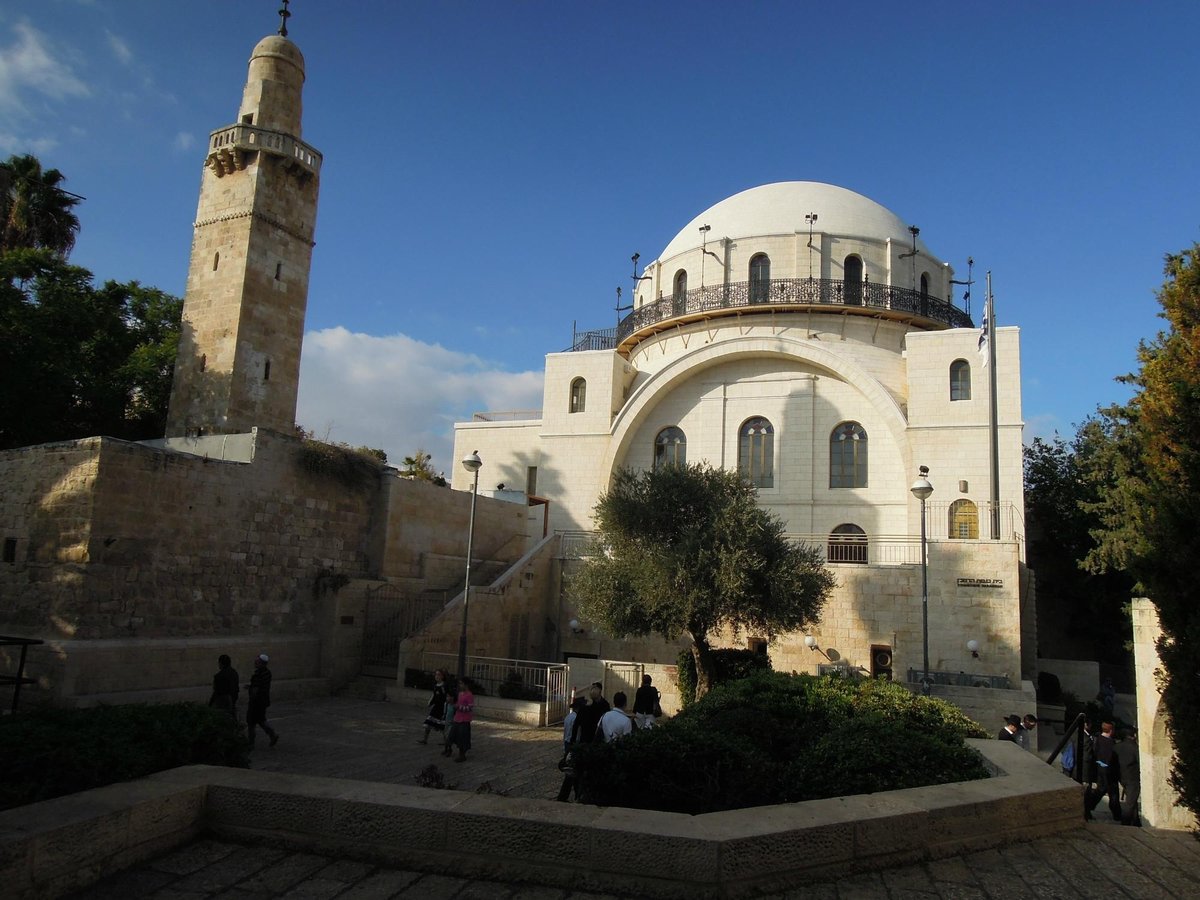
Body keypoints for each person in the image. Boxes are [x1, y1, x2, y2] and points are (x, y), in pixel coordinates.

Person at [1088, 721, 1121, 821]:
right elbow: (1112, 759)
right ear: (1111, 731)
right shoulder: (1111, 744)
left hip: (1099, 769)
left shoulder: (1097, 740)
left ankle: (1089, 807)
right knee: (1113, 794)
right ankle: (1117, 815)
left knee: (1100, 790)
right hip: (1109, 772)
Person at [246, 653, 278, 749]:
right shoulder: (267, 673)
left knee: (251, 722)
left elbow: (256, 689)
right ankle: (272, 735)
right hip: (263, 701)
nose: (255, 663)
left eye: (258, 661)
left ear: (262, 663)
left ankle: (251, 742)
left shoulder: (258, 674)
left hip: (256, 702)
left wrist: (252, 694)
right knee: (261, 720)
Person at [1113, 727, 1141, 826]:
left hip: (1121, 776)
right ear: (1134, 735)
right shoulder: (1135, 748)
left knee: (1132, 799)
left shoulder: (1117, 746)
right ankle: (1126, 821)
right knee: (1130, 801)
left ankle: (1136, 820)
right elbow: (1140, 762)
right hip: (1132, 777)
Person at [446, 678, 475, 762]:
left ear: (466, 685)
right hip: (457, 718)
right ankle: (448, 749)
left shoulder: (469, 695)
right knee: (451, 735)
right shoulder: (459, 694)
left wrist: (458, 707)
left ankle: (462, 755)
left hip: (464, 719)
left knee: (462, 737)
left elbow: (469, 708)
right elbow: (458, 703)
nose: (460, 685)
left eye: (461, 684)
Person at [417, 669, 448, 745]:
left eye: (438, 675)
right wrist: (430, 703)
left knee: (442, 725)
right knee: (428, 722)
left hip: (442, 708)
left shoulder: (444, 686)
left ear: (442, 676)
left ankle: (446, 741)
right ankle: (425, 739)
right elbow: (434, 696)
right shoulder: (435, 686)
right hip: (436, 707)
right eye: (436, 674)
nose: (436, 676)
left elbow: (446, 696)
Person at [208, 654, 239, 720]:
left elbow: (216, 691)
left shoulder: (219, 676)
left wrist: (210, 704)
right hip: (231, 701)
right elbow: (235, 689)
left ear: (221, 664)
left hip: (223, 702)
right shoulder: (234, 673)